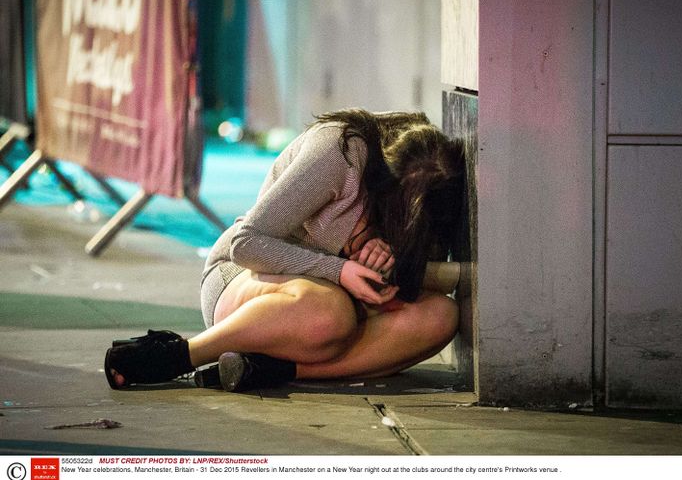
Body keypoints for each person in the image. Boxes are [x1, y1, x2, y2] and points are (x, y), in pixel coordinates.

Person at [104, 109, 465, 392]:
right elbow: (245, 243)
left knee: (442, 316)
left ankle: (271, 369)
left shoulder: (432, 182)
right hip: (246, 277)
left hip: (335, 304)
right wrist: (339, 270)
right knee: (329, 312)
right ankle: (183, 354)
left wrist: (388, 259)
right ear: (384, 185)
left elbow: (421, 276)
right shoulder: (340, 151)